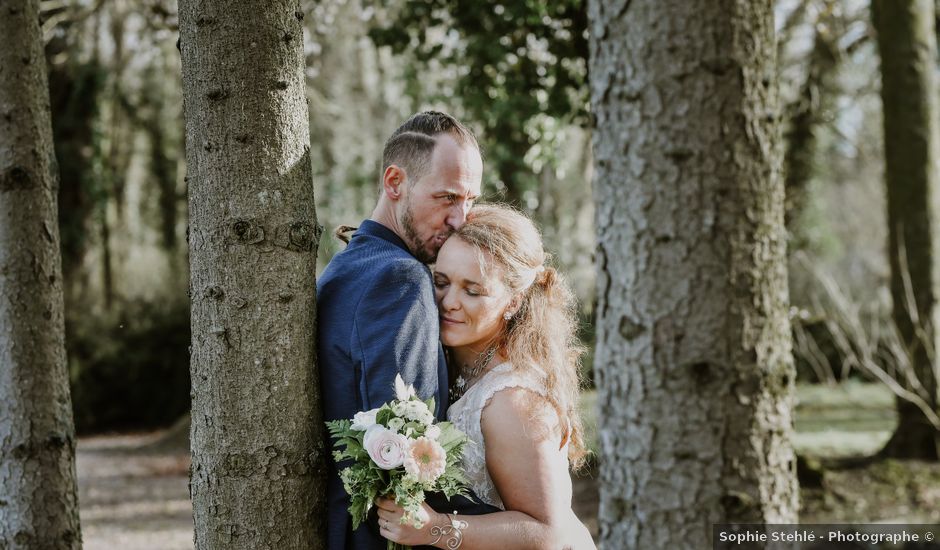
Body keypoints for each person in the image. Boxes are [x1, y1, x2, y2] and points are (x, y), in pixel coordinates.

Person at [317, 111, 498, 550]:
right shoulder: (399, 280)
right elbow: (410, 468)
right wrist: (531, 532)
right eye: (447, 198)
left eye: (469, 200)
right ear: (395, 182)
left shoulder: (345, 268)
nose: (462, 219)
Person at [375, 205, 596, 549]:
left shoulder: (512, 401)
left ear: (512, 302)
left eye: (473, 291)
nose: (450, 302)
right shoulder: (450, 362)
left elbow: (549, 533)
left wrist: (435, 528)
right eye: (442, 282)